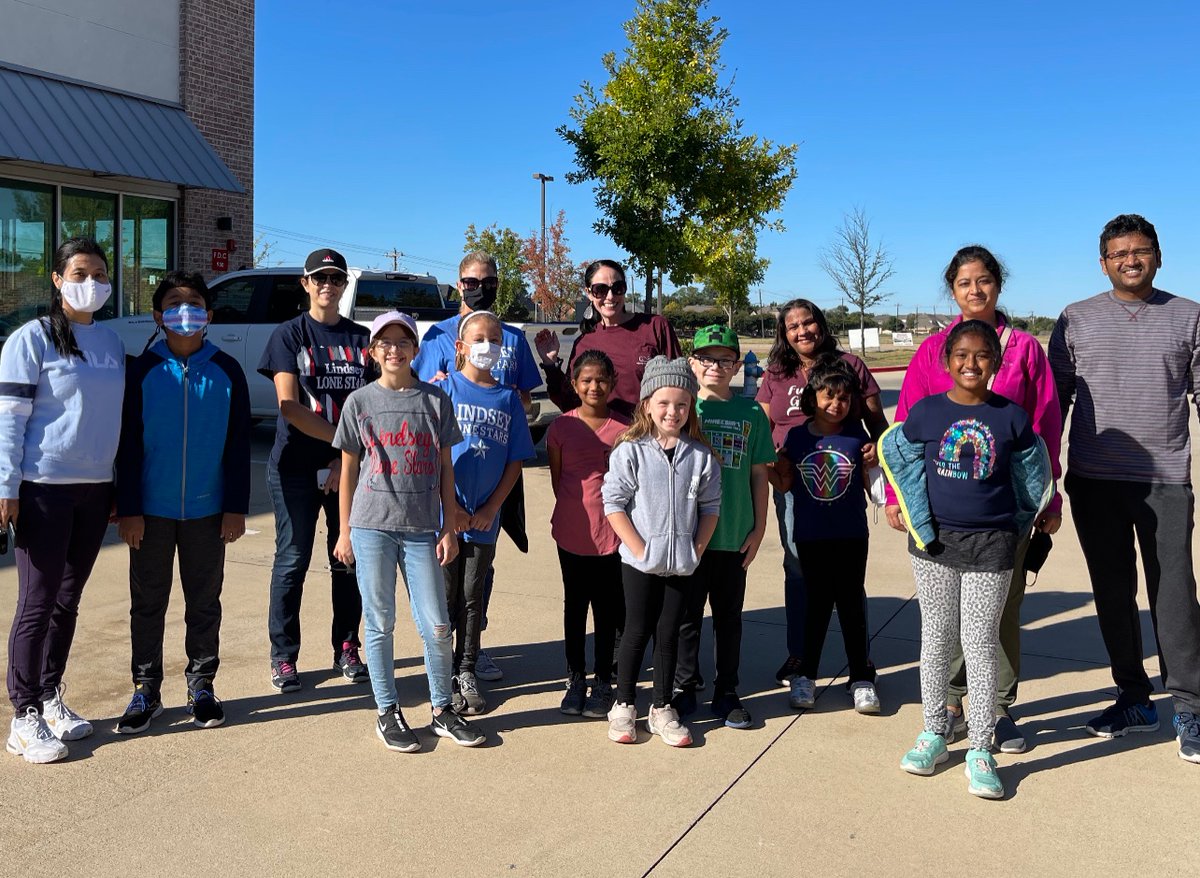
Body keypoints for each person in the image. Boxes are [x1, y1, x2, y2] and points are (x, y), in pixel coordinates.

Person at [887, 245, 1062, 753]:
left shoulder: (1024, 348)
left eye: (984, 280)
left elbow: (1045, 425)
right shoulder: (933, 350)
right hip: (942, 509)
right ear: (953, 289)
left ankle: (999, 708)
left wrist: (1047, 499)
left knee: (999, 611)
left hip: (1003, 510)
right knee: (942, 622)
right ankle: (952, 703)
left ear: (998, 285)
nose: (975, 290)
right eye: (965, 282)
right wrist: (900, 498)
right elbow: (908, 433)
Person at [1049, 213, 1200, 764]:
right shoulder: (1076, 319)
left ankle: (1190, 707)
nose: (1129, 260)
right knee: (1113, 592)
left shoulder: (1189, 316)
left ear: (1158, 255)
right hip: (1095, 479)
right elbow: (1054, 402)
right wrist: (1046, 476)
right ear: (1103, 262)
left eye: (1140, 251)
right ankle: (1134, 699)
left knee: (1175, 594)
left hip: (1165, 481)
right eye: (1118, 253)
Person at [332, 311, 485, 750]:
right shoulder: (359, 403)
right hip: (371, 526)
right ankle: (387, 710)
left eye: (403, 342)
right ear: (373, 351)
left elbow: (444, 468)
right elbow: (348, 471)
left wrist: (449, 525)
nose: (394, 349)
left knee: (438, 624)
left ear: (415, 350)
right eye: (385, 342)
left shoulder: (435, 401)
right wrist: (344, 531)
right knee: (379, 623)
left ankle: (442, 709)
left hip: (421, 528)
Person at [1, 237, 124, 764]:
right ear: (57, 279)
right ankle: (23, 714)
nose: (90, 282)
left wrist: (116, 486)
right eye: (79, 272)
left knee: (67, 601)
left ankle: (50, 697)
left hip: (95, 490)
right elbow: (9, 419)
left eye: (98, 272)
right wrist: (6, 486)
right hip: (43, 488)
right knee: (37, 600)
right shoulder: (31, 339)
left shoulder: (113, 343)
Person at [113, 271, 251, 733]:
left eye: (194, 304)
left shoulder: (228, 370)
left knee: (204, 601)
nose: (184, 312)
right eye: (174, 304)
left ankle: (202, 685)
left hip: (209, 510)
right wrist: (128, 508)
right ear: (158, 315)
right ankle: (145, 688)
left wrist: (235, 506)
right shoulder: (142, 371)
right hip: (150, 511)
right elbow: (127, 445)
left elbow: (238, 444)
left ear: (208, 315)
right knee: (147, 601)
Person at [413, 250, 542, 684]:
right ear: (459, 283)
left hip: (495, 468)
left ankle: (473, 649)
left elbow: (526, 400)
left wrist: (508, 399)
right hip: (446, 483)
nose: (478, 287)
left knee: (479, 571)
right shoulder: (438, 338)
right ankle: (444, 657)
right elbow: (421, 393)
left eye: (487, 281)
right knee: (445, 576)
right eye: (470, 280)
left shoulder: (513, 339)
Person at [756, 299, 887, 687]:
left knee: (848, 577)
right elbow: (761, 426)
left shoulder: (851, 366)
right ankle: (799, 657)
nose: (802, 331)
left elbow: (879, 424)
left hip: (842, 480)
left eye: (808, 322)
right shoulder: (777, 374)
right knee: (798, 569)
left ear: (821, 324)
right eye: (792, 326)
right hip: (793, 485)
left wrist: (875, 450)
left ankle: (859, 662)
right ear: (784, 333)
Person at [258, 248, 371, 692]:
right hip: (295, 467)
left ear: (345, 285)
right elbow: (290, 407)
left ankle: (346, 645)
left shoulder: (363, 340)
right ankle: (284, 656)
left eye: (336, 279)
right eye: (319, 278)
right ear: (305, 284)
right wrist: (338, 447)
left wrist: (339, 459)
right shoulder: (288, 336)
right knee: (292, 560)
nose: (328, 285)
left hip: (346, 466)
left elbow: (374, 402)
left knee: (347, 560)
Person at [602, 357, 721, 747]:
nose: (673, 412)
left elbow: (710, 507)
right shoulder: (630, 451)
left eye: (682, 404)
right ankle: (623, 704)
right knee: (636, 631)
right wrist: (641, 549)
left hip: (682, 563)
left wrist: (696, 550)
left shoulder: (700, 456)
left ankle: (662, 707)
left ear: (691, 407)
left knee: (668, 634)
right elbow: (614, 504)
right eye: (665, 403)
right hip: (640, 562)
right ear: (647, 405)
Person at [672, 326, 774, 730]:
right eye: (707, 359)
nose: (716, 366)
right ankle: (684, 687)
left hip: (734, 534)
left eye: (725, 360)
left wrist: (760, 528)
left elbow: (758, 475)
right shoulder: (682, 408)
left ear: (737, 366)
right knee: (686, 616)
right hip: (687, 536)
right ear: (692, 364)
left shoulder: (750, 414)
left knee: (729, 616)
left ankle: (727, 689)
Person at [439, 310, 535, 716]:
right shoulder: (446, 392)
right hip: (447, 517)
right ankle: (441, 675)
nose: (488, 347)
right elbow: (436, 455)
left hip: (484, 519)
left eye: (495, 340)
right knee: (444, 598)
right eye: (479, 339)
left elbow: (515, 460)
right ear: (460, 347)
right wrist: (452, 509)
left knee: (473, 597)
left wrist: (492, 507)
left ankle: (466, 669)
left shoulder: (508, 398)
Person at [778, 356, 878, 715]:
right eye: (828, 397)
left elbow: (873, 487)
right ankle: (806, 675)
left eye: (844, 398)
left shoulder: (857, 437)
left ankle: (861, 676)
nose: (837, 405)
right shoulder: (797, 437)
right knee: (817, 606)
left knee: (852, 604)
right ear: (812, 398)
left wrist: (875, 459)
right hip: (810, 536)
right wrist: (767, 467)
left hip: (852, 534)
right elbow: (785, 482)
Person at [546, 350, 628, 719]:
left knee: (608, 608)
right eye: (586, 380)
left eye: (601, 380)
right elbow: (557, 478)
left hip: (612, 535)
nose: (594, 386)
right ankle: (575, 677)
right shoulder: (561, 427)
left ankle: (603, 680)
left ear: (611, 384)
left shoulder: (626, 431)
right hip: (571, 531)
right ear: (575, 384)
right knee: (574, 605)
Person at [536, 259, 682, 419]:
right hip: (600, 440)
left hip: (649, 438)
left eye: (617, 288)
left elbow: (680, 386)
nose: (610, 296)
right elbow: (570, 403)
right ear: (589, 293)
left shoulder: (655, 327)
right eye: (601, 289)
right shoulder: (583, 343)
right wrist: (550, 364)